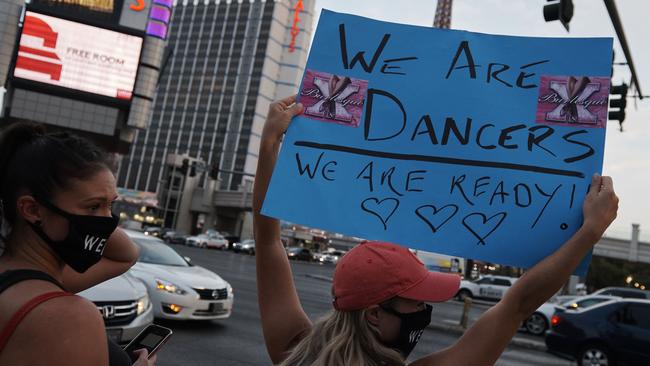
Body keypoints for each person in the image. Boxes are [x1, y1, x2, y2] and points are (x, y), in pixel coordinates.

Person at [253, 95, 619, 366]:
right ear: (374, 315)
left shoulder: (294, 351)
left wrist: (269, 146)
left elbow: (269, 244)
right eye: (414, 300)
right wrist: (590, 231)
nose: (424, 309)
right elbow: (517, 305)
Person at [0, 123, 156, 366]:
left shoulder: (19, 279)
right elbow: (126, 255)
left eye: (111, 206)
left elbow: (126, 256)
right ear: (32, 209)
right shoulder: (68, 316)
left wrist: (97, 205)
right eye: (93, 206)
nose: (107, 222)